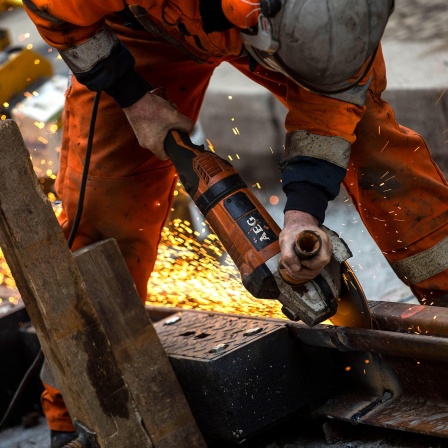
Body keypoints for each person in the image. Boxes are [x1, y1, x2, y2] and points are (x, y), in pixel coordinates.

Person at [23, 0, 448, 446]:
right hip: (137, 24)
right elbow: (51, 10)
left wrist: (303, 214)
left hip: (264, 32)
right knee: (104, 205)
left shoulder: (345, 18)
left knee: (377, 148)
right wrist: (130, 94)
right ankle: (77, 414)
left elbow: (331, 103)